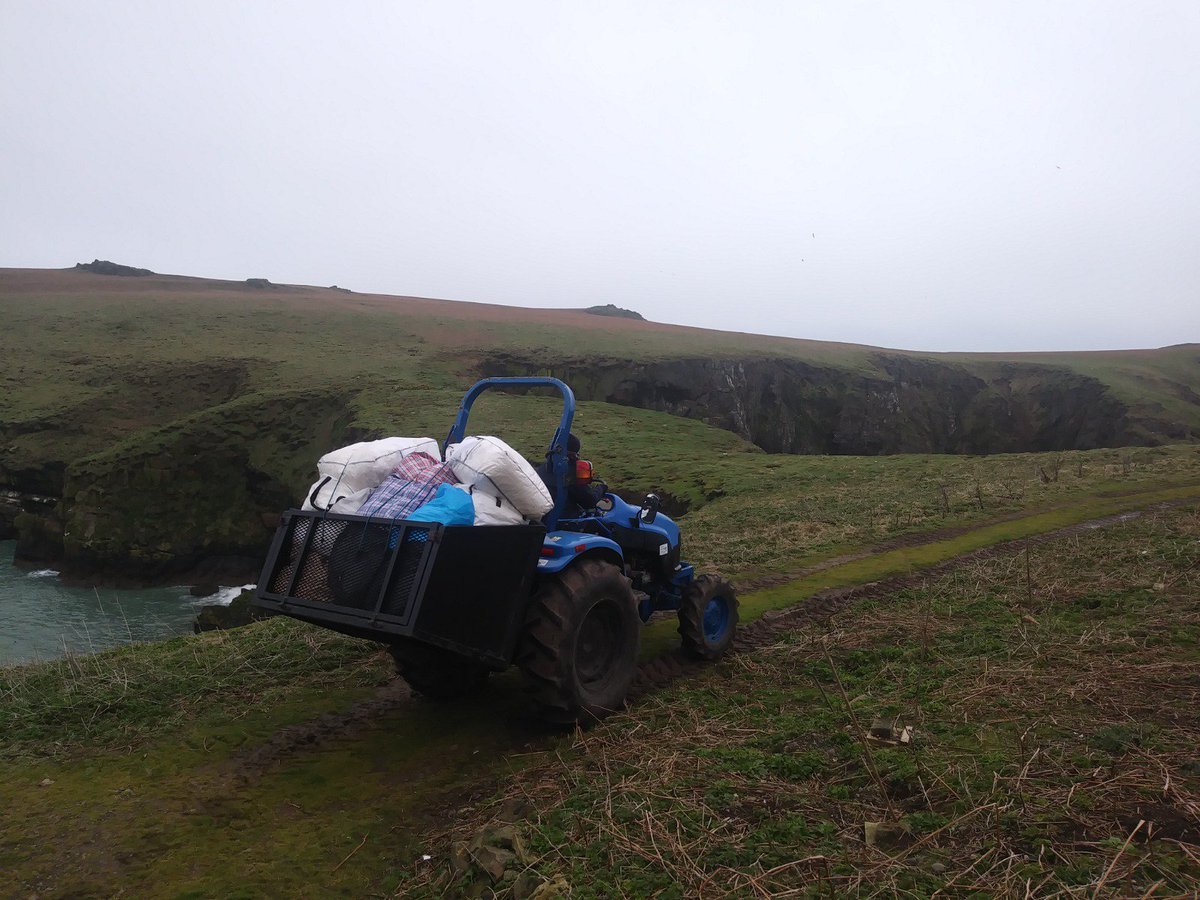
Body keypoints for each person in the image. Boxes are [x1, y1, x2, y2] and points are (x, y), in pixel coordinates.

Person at [536, 433, 607, 514]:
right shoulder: (570, 473)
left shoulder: (543, 469)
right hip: (567, 521)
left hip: (544, 516)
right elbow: (589, 501)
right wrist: (601, 488)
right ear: (573, 455)